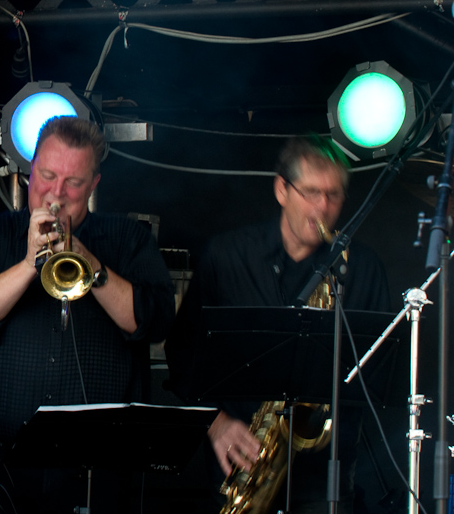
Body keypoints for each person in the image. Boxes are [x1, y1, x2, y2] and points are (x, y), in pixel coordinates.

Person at [0, 116, 176, 513]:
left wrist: (91, 265)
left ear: (94, 184)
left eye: (74, 182)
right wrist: (29, 264)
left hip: (96, 470)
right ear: (31, 171)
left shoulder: (128, 239)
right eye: (48, 176)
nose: (57, 193)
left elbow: (155, 322)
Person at [165, 135, 391, 513]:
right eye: (311, 192)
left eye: (334, 195)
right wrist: (216, 423)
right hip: (242, 465)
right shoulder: (228, 256)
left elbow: (379, 372)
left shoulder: (362, 268)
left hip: (325, 476)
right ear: (281, 190)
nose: (323, 207)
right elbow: (182, 352)